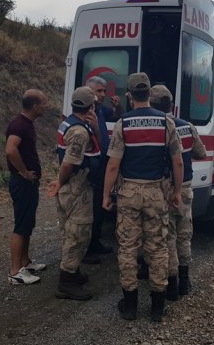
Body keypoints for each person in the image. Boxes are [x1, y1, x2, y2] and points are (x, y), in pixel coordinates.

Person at [102, 73, 184, 322]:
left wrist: (106, 195)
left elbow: (113, 165)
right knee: (158, 248)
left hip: (128, 193)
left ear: (129, 95)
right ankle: (158, 307)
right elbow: (178, 161)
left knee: (128, 248)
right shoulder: (166, 123)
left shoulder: (123, 124)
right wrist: (177, 192)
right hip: (156, 192)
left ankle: (130, 306)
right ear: (149, 93)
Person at [149, 85, 206, 300]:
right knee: (184, 234)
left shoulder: (156, 128)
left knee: (167, 237)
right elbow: (200, 152)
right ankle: (185, 280)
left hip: (162, 188)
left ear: (152, 105)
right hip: (184, 189)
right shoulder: (187, 126)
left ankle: (171, 285)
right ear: (171, 105)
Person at [47, 86, 101, 300]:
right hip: (77, 186)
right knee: (78, 233)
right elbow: (69, 163)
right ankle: (66, 282)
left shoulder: (71, 123)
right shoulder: (79, 132)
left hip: (76, 184)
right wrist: (59, 182)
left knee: (72, 230)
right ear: (91, 106)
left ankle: (73, 271)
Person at [5, 89, 48, 285]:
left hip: (29, 182)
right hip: (22, 182)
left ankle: (25, 262)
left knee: (28, 222)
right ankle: (15, 272)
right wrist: (23, 172)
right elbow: (10, 149)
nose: (46, 106)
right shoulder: (19, 125)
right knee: (21, 225)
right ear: (35, 106)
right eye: (43, 103)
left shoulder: (27, 124)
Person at [82, 76, 122, 262]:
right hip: (92, 168)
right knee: (89, 209)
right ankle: (86, 249)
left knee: (99, 208)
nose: (103, 95)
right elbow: (95, 141)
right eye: (99, 91)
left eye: (104, 91)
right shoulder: (87, 114)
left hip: (103, 163)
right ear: (88, 91)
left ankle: (95, 242)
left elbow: (115, 115)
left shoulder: (99, 109)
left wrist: (117, 106)